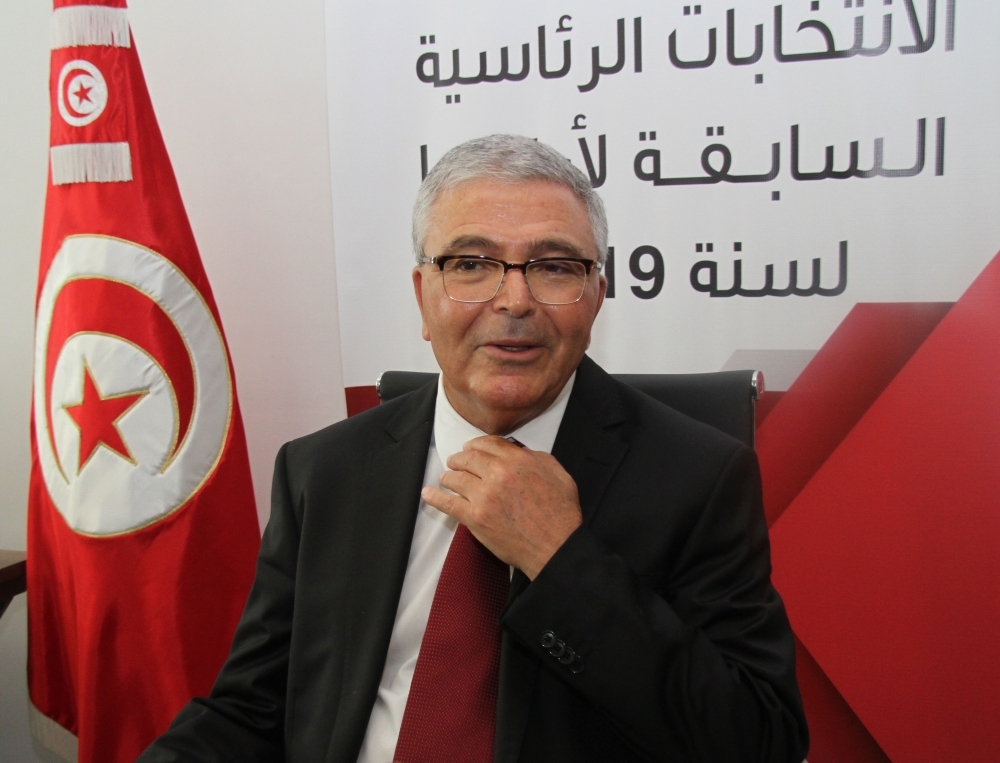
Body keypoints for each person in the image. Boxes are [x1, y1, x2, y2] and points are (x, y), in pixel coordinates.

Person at [139, 135, 808, 762]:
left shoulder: (696, 477)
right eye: (471, 263)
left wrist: (564, 561)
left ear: (597, 296)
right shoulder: (325, 471)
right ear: (422, 295)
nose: (514, 299)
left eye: (553, 266)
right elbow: (252, 711)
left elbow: (758, 738)